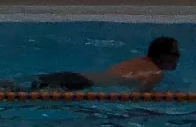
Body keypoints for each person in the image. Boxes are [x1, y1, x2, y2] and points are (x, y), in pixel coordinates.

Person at [29, 36, 179, 93]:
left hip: (74, 76)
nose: (179, 58)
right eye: (176, 54)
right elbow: (137, 96)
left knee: (22, 88)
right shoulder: (156, 73)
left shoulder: (136, 62)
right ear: (163, 56)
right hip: (81, 84)